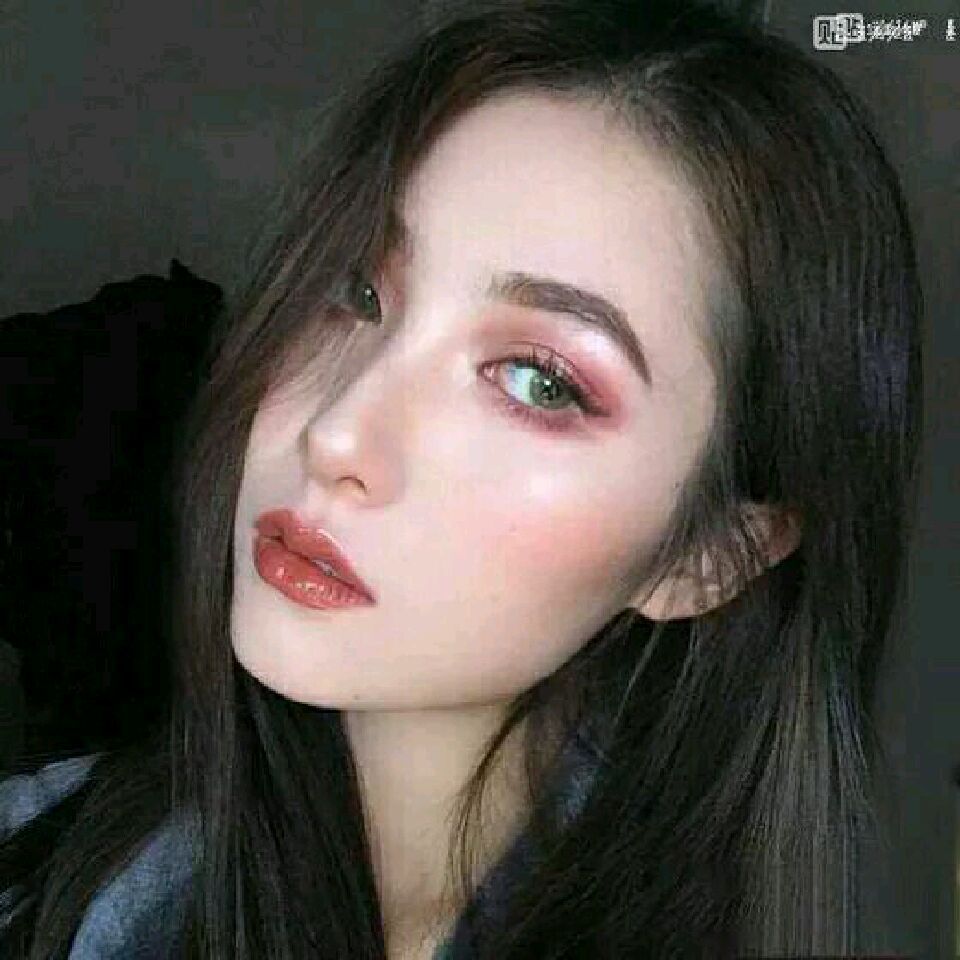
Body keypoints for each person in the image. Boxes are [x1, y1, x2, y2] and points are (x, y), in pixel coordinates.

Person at [0, 0, 923, 957]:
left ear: (709, 557)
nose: (334, 433)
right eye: (354, 291)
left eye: (539, 381)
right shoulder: (50, 880)